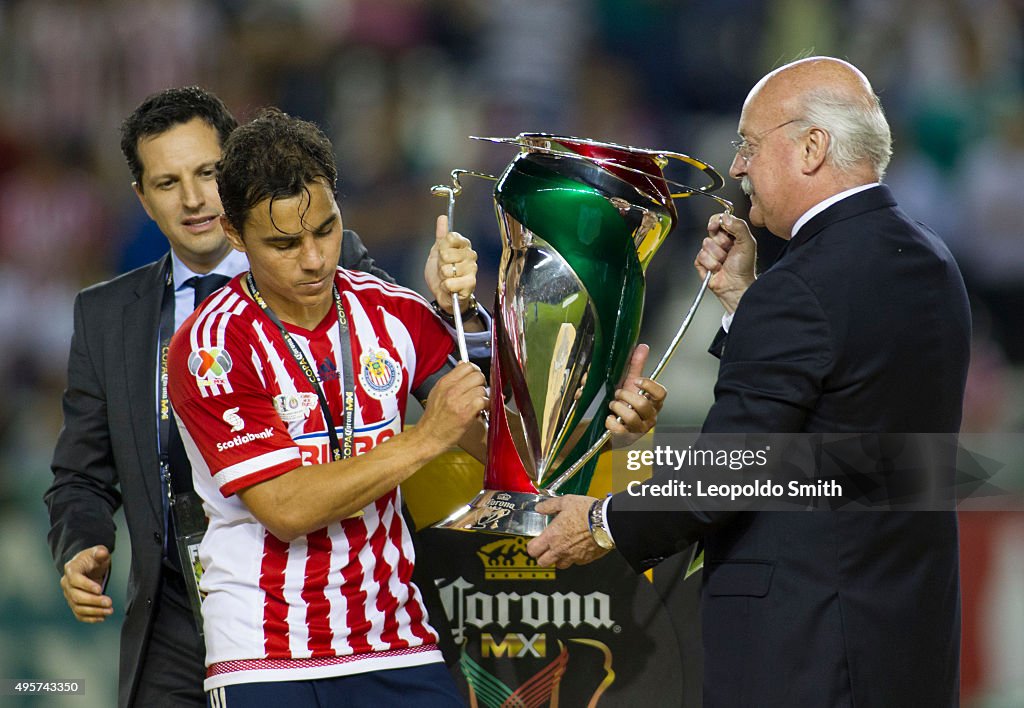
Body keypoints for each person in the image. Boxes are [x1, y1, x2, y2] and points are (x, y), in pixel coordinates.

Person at [166, 108, 663, 706]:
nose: (314, 259)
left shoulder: (392, 312)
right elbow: (286, 507)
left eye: (326, 230)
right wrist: (426, 437)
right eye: (283, 243)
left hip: (399, 643)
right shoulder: (211, 345)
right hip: (266, 657)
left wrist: (599, 418)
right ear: (234, 232)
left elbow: (505, 451)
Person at [527, 56, 971, 707]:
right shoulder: (934, 261)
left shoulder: (802, 287)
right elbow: (838, 417)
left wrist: (599, 523)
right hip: (908, 641)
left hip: (807, 650)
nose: (736, 166)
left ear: (813, 147)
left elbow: (731, 472)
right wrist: (742, 302)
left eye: (750, 144)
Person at [44, 87, 486, 708]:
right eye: (169, 183)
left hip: (383, 620)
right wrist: (83, 543)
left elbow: (457, 388)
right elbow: (81, 471)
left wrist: (461, 311)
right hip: (193, 609)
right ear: (142, 199)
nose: (194, 197)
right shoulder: (121, 318)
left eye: (205, 173)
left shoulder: (356, 277)